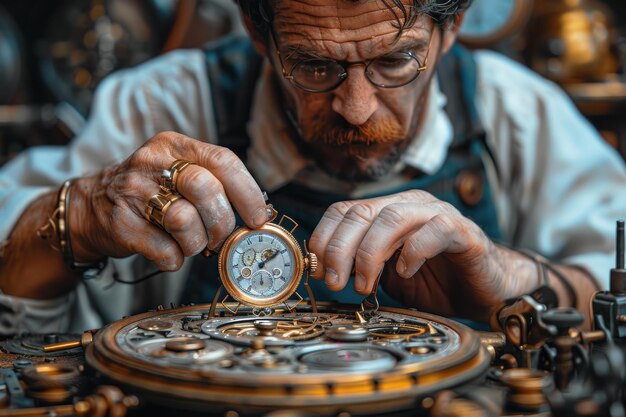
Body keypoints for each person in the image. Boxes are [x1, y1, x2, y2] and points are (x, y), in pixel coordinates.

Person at [0, 0, 624, 335]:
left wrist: (512, 279)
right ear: (256, 29)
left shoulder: (516, 112)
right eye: (315, 67)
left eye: (395, 62)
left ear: (452, 27)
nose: (356, 110)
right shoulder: (159, 106)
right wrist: (74, 215)